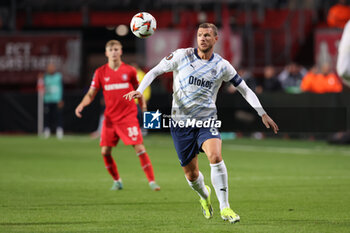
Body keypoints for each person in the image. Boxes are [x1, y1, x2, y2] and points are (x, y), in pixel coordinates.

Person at [124, 23, 278, 223]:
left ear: (215, 39)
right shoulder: (181, 56)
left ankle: (225, 208)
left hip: (206, 120)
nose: (202, 38)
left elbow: (245, 89)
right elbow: (154, 72)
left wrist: (262, 113)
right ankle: (204, 196)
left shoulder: (222, 65)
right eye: (199, 35)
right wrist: (139, 88)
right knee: (192, 175)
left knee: (215, 156)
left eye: (207, 35)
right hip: (180, 124)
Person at [75, 40, 160, 191]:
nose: (114, 52)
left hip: (128, 116)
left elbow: (138, 91)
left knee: (139, 147)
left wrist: (144, 108)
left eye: (116, 49)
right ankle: (117, 181)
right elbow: (91, 93)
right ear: (106, 53)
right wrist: (82, 104)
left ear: (120, 52)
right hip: (110, 118)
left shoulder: (129, 71)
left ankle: (152, 181)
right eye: (111, 49)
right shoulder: (100, 72)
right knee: (105, 151)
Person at [40, 62, 64, 139]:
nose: (51, 69)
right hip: (47, 100)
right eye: (50, 67)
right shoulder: (44, 77)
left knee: (58, 115)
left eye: (52, 67)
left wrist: (60, 99)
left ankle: (59, 130)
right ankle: (46, 130)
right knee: (47, 116)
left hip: (56, 99)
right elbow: (41, 87)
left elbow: (61, 88)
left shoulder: (58, 77)